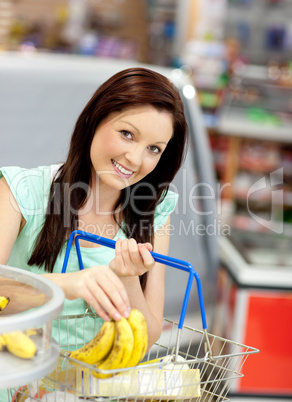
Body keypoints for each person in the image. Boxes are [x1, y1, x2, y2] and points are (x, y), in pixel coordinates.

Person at [0, 67, 188, 353]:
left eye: (154, 149)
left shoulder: (154, 211)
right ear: (94, 119)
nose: (135, 158)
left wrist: (128, 279)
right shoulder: (19, 191)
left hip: (93, 392)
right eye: (127, 134)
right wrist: (69, 284)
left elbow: (147, 338)